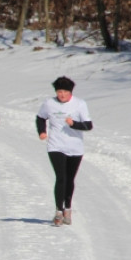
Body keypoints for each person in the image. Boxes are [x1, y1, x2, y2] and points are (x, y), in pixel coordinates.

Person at [36, 76, 93, 226]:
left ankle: (68, 208)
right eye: (59, 91)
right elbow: (40, 118)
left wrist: (74, 124)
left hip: (75, 147)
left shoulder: (80, 104)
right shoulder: (49, 103)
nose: (61, 95)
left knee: (70, 179)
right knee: (60, 177)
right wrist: (41, 132)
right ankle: (58, 212)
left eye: (65, 92)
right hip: (55, 146)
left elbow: (88, 125)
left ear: (70, 92)